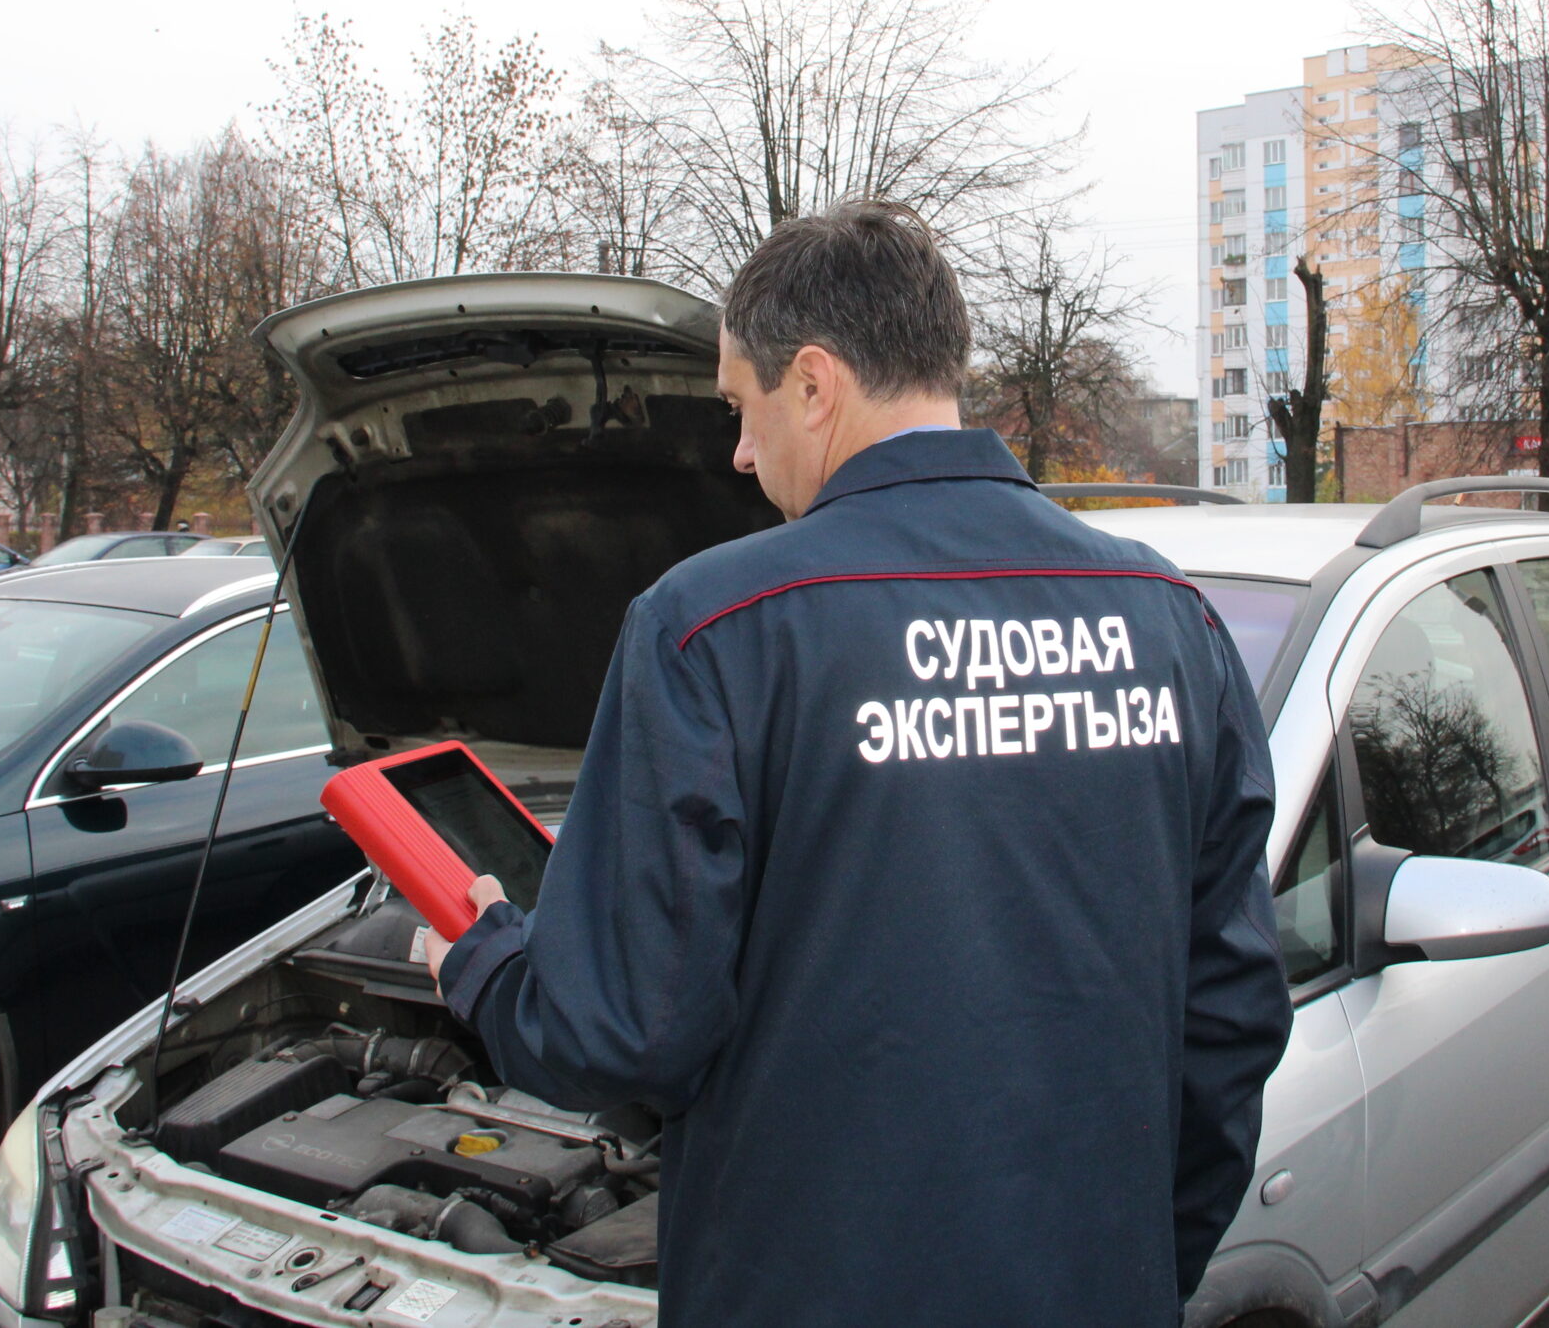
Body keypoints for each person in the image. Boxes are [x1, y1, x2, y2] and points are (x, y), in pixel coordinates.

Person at [425, 202, 1291, 1327]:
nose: (737, 453)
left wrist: (486, 966)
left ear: (816, 384)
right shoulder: (1169, 621)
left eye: (740, 408)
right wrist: (1137, 1264)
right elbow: (1230, 1016)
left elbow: (625, 1031)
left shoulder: (710, 626)